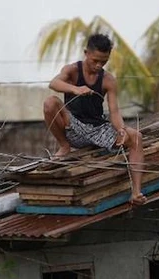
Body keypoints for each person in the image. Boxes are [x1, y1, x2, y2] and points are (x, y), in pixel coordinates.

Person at [43, 33, 147, 205]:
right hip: (73, 126)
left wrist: (121, 129)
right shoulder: (72, 70)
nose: (98, 65)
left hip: (97, 128)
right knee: (50, 103)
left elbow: (114, 111)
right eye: (95, 61)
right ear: (86, 53)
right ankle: (64, 146)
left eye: (103, 62)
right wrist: (75, 89)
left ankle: (136, 192)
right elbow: (53, 83)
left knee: (136, 137)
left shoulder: (108, 80)